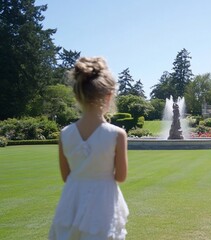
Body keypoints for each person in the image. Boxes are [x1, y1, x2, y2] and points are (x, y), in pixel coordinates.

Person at [49, 57, 129, 240]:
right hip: (104, 202)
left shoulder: (65, 134)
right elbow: (121, 177)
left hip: (71, 201)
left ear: (78, 95)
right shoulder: (117, 134)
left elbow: (65, 176)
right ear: (109, 95)